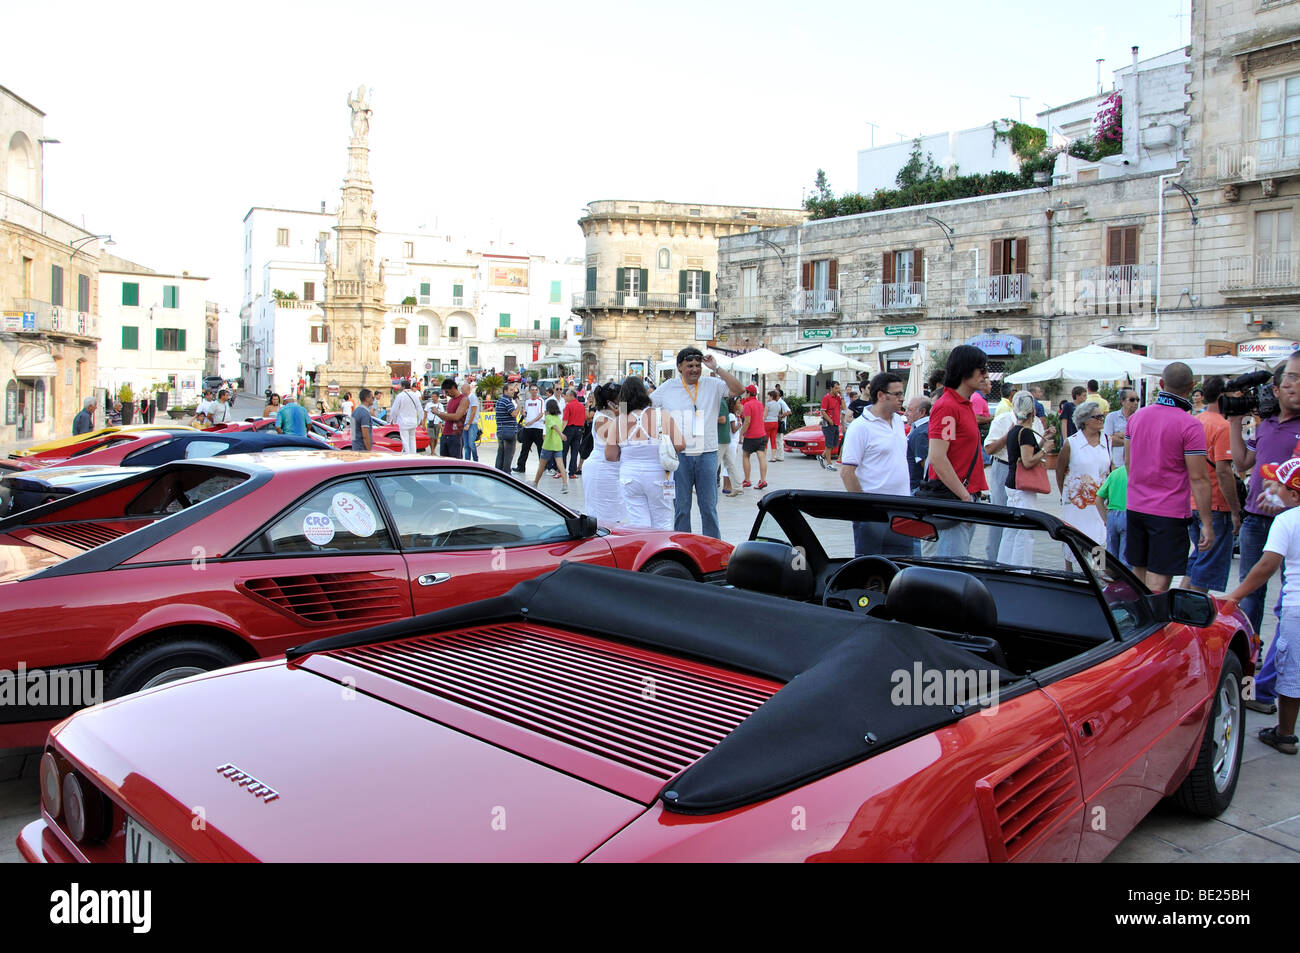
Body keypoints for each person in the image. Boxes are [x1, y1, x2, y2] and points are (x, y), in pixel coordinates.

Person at [1229, 356, 1300, 715]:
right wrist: (1234, 420)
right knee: (1251, 602)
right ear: (1277, 387)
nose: (1294, 386)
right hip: (1258, 521)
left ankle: (1270, 688)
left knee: (1287, 605)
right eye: (1291, 379)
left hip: (1291, 524)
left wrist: (1277, 486)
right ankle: (1247, 682)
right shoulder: (1267, 425)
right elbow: (1242, 463)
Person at [1223, 457, 1300, 755]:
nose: (1272, 489)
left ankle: (1284, 734)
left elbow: (1267, 564)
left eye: (1278, 485)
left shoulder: (1286, 521)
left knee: (1292, 673)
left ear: (1293, 495)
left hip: (1296, 609)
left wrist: (1236, 595)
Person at [1123, 362, 1214, 591]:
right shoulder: (1191, 425)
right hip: (1168, 511)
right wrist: (1207, 522)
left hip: (1136, 506)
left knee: (1138, 575)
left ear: (1161, 384)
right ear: (1192, 387)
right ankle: (1153, 624)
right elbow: (1199, 478)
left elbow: (1127, 462)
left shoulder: (1136, 418)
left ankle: (1137, 622)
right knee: (1158, 585)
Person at [650, 346, 744, 539]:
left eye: (697, 365)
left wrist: (716, 368)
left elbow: (739, 389)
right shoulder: (668, 387)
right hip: (680, 456)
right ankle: (684, 548)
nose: (694, 369)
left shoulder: (713, 384)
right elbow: (645, 407)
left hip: (707, 453)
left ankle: (713, 547)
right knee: (681, 508)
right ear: (679, 367)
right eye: (689, 365)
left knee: (709, 507)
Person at [925, 345, 990, 558]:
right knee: (951, 566)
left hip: (964, 496)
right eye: (982, 369)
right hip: (955, 499)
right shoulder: (948, 406)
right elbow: (937, 457)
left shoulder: (964, 404)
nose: (986, 375)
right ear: (966, 370)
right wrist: (965, 497)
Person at [840, 373, 915, 557]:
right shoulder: (860, 427)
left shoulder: (898, 420)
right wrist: (866, 509)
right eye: (897, 394)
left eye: (902, 393)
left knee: (903, 565)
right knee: (871, 569)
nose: (902, 398)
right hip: (874, 513)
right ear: (881, 395)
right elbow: (847, 473)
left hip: (902, 510)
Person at [1184, 376, 1242, 593]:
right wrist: (1236, 511)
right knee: (1206, 568)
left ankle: (1178, 611)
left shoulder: (1196, 421)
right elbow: (1224, 471)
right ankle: (1192, 617)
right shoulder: (1222, 426)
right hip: (1215, 504)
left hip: (1192, 501)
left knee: (1198, 560)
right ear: (1223, 396)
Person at [608, 376, 684, 529]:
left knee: (639, 524)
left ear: (623, 397)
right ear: (644, 393)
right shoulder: (661, 415)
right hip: (659, 475)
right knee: (662, 521)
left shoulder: (618, 421)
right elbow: (681, 444)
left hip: (629, 477)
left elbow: (610, 455)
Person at [998, 391, 1055, 565]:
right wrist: (1045, 450)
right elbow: (1029, 461)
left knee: (1010, 531)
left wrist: (1042, 442)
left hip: (1012, 482)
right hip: (1023, 486)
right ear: (1034, 412)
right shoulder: (1026, 432)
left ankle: (1005, 564)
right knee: (1024, 532)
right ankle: (1021, 568)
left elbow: (1025, 454)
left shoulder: (1014, 431)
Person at [1057, 401, 1113, 567]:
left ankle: (1098, 573)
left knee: (1099, 537)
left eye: (1102, 415)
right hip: (1076, 503)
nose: (1102, 419)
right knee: (1074, 536)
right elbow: (1060, 471)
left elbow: (1109, 469)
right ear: (1086, 420)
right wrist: (1064, 495)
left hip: (1099, 501)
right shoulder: (1071, 443)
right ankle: (1070, 573)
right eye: (1098, 416)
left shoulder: (1106, 441)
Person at [583, 383, 625, 524]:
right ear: (611, 403)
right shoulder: (602, 419)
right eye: (622, 399)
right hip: (602, 471)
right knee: (603, 518)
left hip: (611, 471)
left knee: (614, 516)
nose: (625, 402)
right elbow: (618, 441)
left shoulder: (613, 417)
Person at [532, 398, 570, 494]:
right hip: (558, 445)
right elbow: (560, 425)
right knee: (561, 465)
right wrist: (561, 434)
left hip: (548, 445)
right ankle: (565, 485)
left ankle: (535, 483)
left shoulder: (548, 417)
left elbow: (554, 426)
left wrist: (561, 434)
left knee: (541, 466)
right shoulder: (558, 418)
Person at [1096, 462, 1129, 567]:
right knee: (1125, 558)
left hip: (1111, 515)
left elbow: (1098, 499)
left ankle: (1101, 575)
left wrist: (1105, 519)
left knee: (1109, 555)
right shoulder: (1136, 473)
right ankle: (1124, 581)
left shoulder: (1115, 473)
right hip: (1127, 516)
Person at [739, 385, 768, 489]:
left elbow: (747, 421)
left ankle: (747, 480)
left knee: (746, 456)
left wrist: (741, 433)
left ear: (748, 393)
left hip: (751, 435)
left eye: (745, 393)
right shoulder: (760, 404)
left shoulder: (747, 405)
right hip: (762, 434)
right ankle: (763, 480)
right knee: (762, 456)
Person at [1103, 387, 1137, 471]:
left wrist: (1120, 435)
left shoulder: (1140, 418)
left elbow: (1142, 440)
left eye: (1137, 400)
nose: (1136, 403)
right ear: (1122, 401)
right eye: (1132, 400)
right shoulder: (1112, 417)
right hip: (1116, 464)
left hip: (1135, 464)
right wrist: (1131, 440)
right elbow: (1108, 440)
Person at [432, 378, 468, 457]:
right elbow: (447, 417)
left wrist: (438, 413)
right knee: (444, 462)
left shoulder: (463, 399)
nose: (447, 394)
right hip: (445, 434)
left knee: (455, 463)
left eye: (447, 391)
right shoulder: (451, 401)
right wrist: (439, 414)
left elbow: (457, 416)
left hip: (455, 435)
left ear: (453, 388)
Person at [514, 384, 546, 472]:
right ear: (530, 391)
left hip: (537, 427)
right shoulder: (527, 401)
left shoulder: (540, 401)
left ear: (538, 391)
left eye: (536, 390)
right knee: (525, 448)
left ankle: (543, 466)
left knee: (540, 448)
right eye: (532, 390)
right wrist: (523, 413)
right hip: (528, 428)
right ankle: (521, 467)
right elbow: (526, 413)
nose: (534, 391)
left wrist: (532, 421)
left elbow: (541, 414)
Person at [389, 379, 424, 453]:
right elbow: (420, 409)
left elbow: (394, 409)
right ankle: (413, 454)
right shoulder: (415, 395)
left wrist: (392, 419)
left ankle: (407, 455)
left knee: (405, 440)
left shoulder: (400, 396)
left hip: (403, 421)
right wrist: (421, 419)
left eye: (401, 386)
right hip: (413, 421)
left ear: (403, 386)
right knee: (412, 439)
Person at [905, 397, 931, 491]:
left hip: (916, 488)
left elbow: (926, 466)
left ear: (922, 412)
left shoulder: (920, 433)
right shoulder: (928, 427)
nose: (905, 413)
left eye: (909, 410)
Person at [494, 382, 519, 473]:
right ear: (505, 391)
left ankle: (498, 472)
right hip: (509, 431)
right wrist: (518, 405)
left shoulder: (500, 401)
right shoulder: (507, 401)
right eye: (511, 390)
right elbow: (514, 413)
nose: (513, 392)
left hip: (501, 430)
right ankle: (506, 473)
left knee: (501, 453)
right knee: (509, 453)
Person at [720, 395, 743, 496]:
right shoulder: (732, 416)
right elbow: (733, 429)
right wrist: (740, 425)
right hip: (731, 442)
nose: (740, 405)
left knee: (729, 464)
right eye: (738, 403)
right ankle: (728, 486)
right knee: (729, 464)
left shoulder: (731, 415)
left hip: (731, 442)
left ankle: (734, 486)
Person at [819, 381, 844, 471]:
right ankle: (829, 464)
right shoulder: (826, 398)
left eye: (838, 388)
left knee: (833, 444)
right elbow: (823, 410)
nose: (838, 390)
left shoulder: (838, 398)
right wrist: (830, 421)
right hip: (828, 424)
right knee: (829, 445)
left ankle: (822, 456)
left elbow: (844, 408)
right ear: (831, 388)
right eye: (836, 388)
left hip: (836, 424)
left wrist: (842, 397)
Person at [562, 388, 586, 477]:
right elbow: (583, 419)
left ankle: (562, 470)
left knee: (564, 451)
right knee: (574, 451)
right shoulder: (581, 406)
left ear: (572, 396)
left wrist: (560, 432)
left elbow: (565, 420)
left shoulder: (568, 406)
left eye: (567, 395)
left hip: (569, 429)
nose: (565, 397)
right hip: (579, 429)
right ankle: (572, 472)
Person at [764, 390, 789, 462]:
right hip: (775, 423)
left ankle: (764, 456)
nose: (767, 397)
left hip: (768, 423)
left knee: (765, 440)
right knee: (773, 440)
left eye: (768, 396)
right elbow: (780, 414)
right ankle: (773, 457)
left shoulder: (768, 404)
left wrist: (762, 421)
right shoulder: (778, 405)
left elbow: (765, 415)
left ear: (771, 396)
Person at [461, 379, 481, 462]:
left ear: (467, 389)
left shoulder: (472, 397)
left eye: (462, 389)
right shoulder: (465, 398)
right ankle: (467, 461)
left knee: (471, 443)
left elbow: (473, 411)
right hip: (465, 423)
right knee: (466, 445)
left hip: (472, 424)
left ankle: (475, 460)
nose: (461, 390)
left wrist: (468, 424)